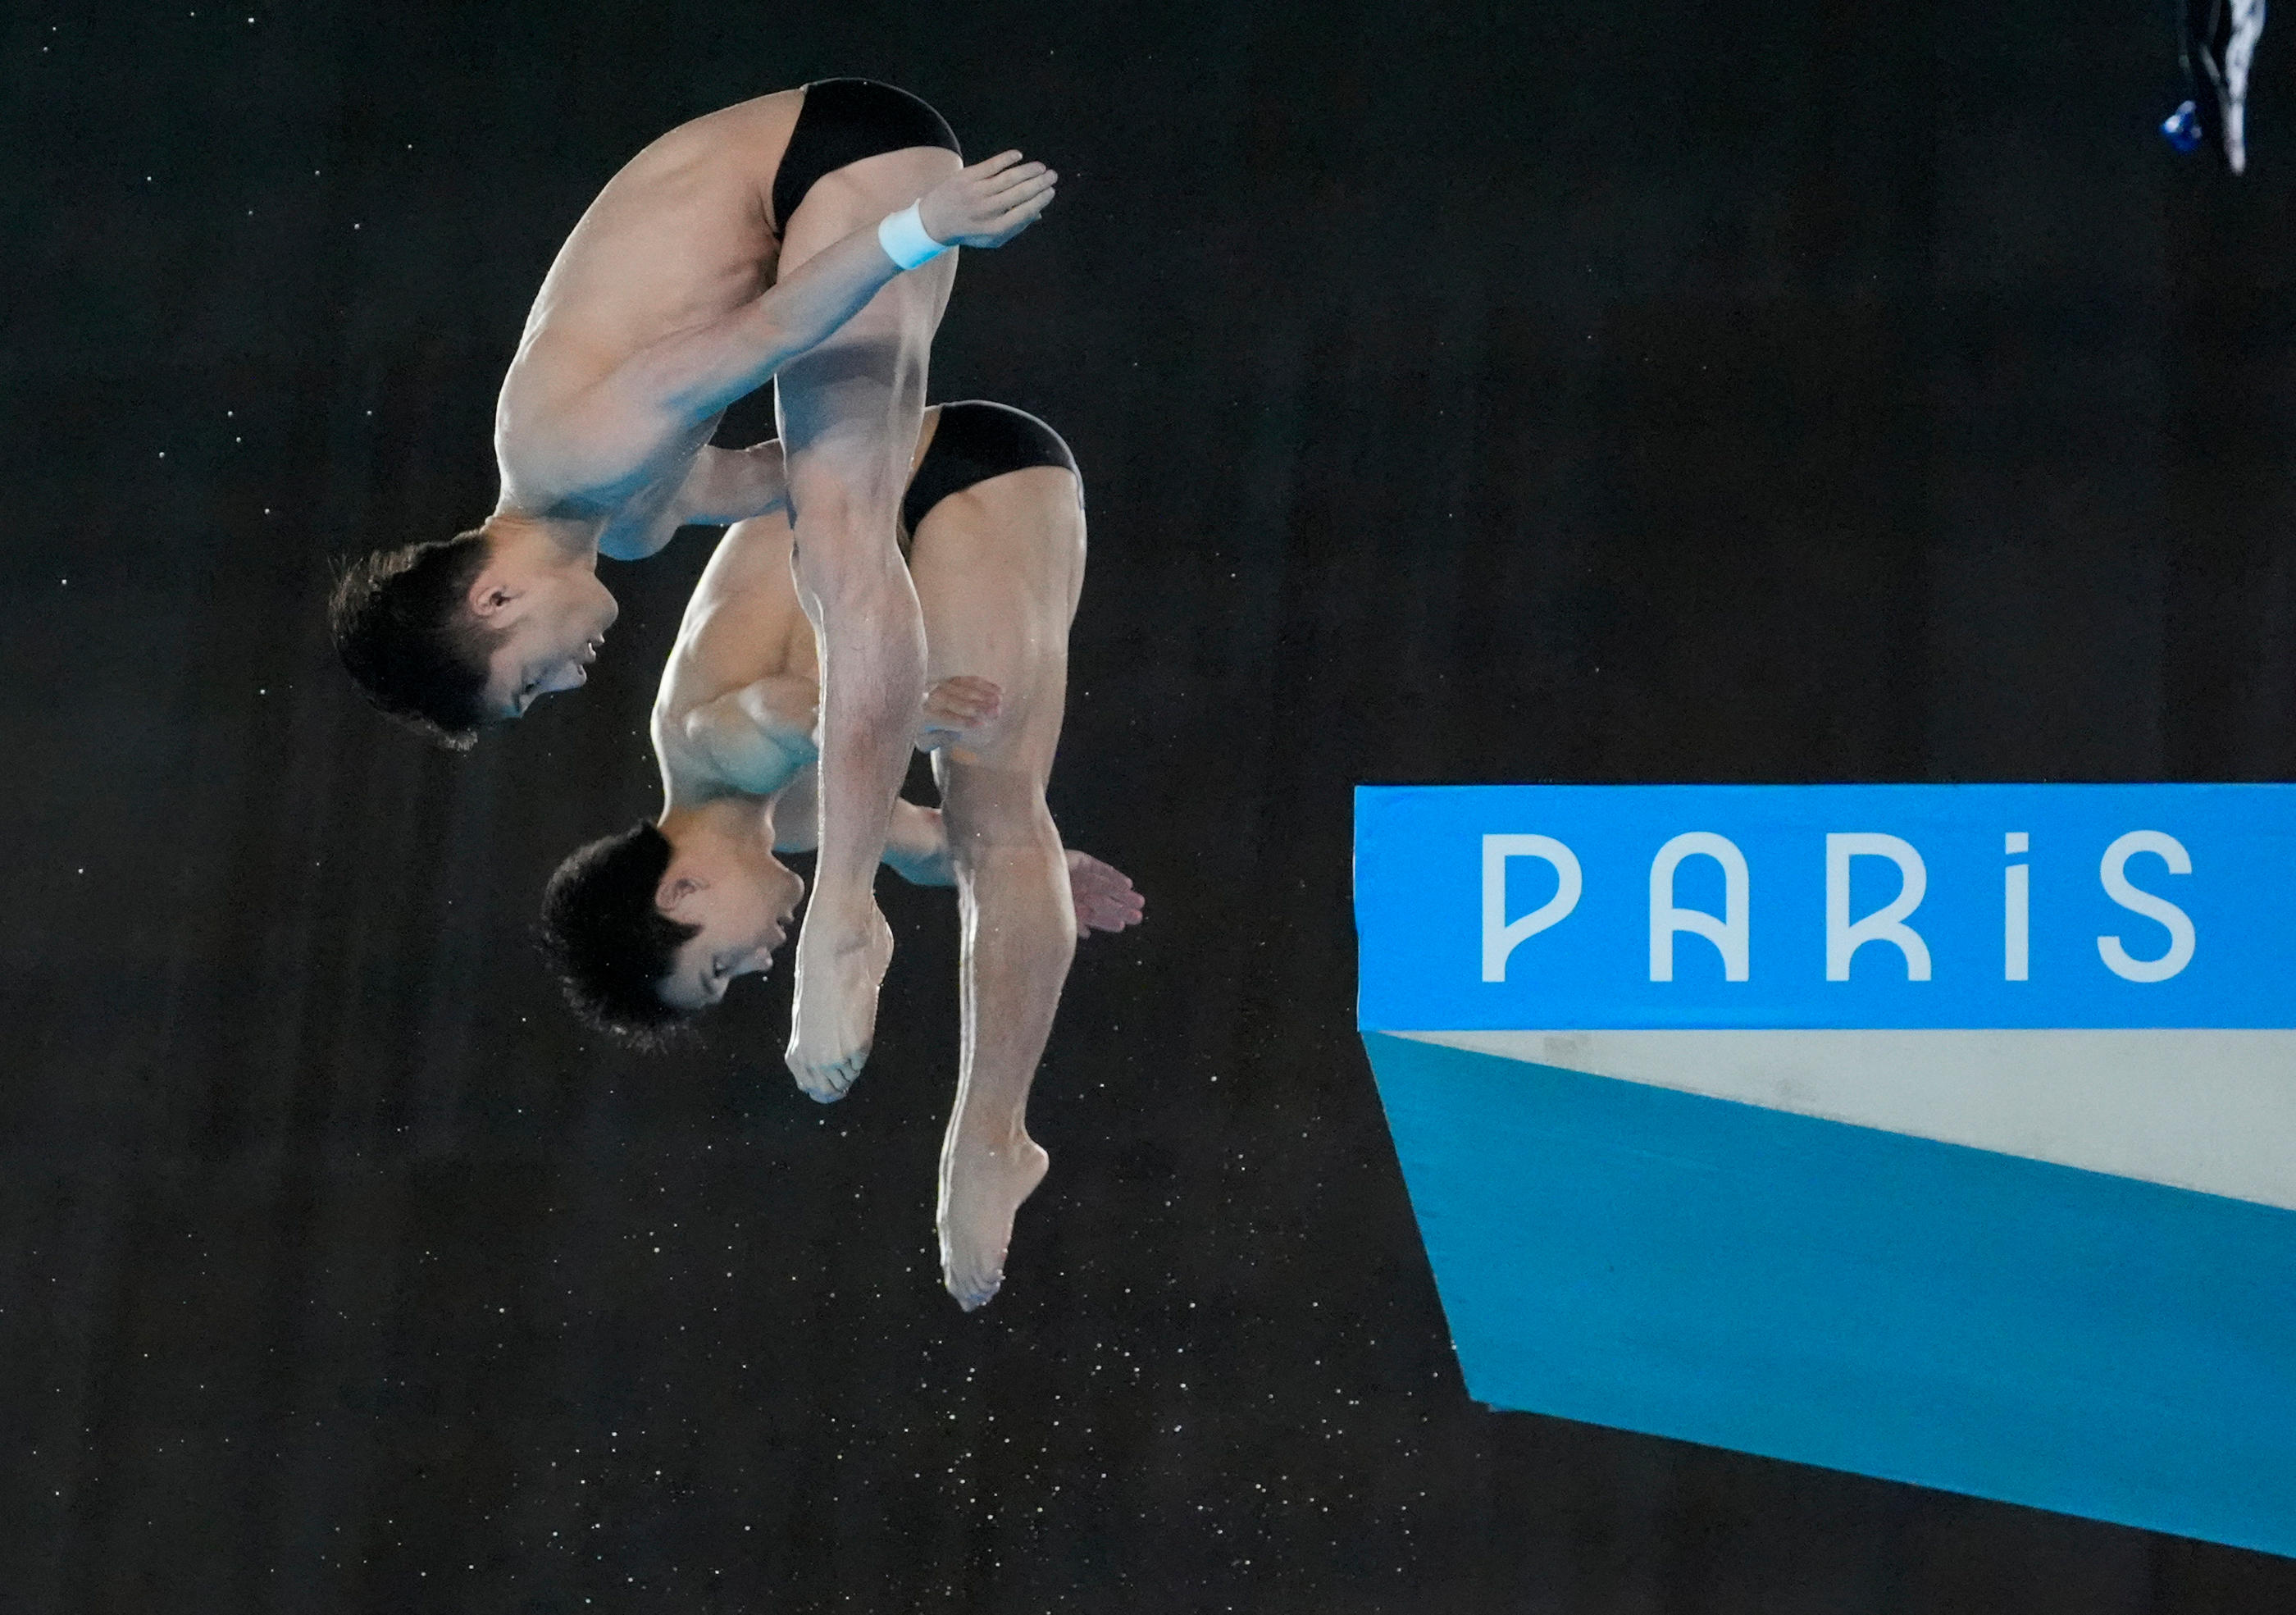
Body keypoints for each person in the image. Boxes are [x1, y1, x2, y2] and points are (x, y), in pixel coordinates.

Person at [328, 81, 1059, 1097]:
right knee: (832, 515)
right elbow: (781, 473)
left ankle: (845, 922)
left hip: (833, 156)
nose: (570, 685)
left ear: (494, 601)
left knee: (838, 542)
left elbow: (764, 336)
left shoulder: (571, 449)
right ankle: (853, 911)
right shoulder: (628, 520)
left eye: (527, 682)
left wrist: (919, 229)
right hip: (819, 214)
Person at [540, 401, 1141, 1310]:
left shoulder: (701, 751)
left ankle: (991, 1139)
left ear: (683, 887)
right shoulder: (782, 825)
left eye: (719, 966)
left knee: (996, 813)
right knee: (992, 831)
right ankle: (989, 1138)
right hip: (938, 503)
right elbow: (935, 851)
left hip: (939, 470)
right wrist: (1051, 881)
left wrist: (877, 713)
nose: (756, 964)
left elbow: (778, 714)